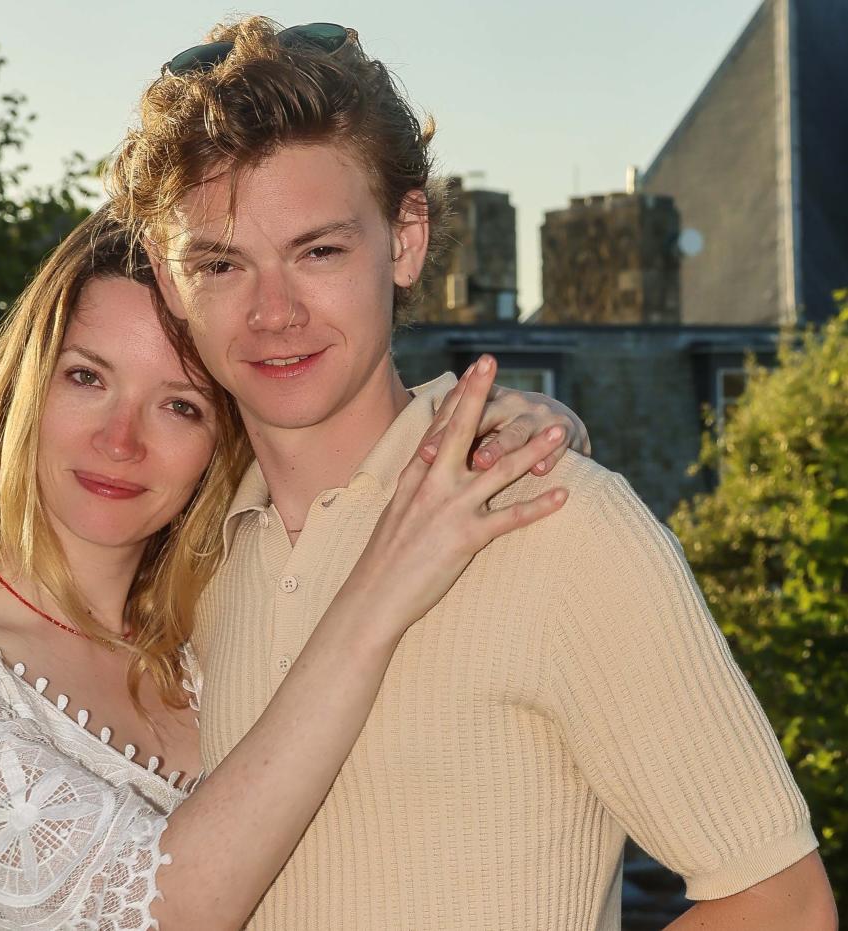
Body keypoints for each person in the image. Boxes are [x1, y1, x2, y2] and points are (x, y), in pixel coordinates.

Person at [106, 17, 837, 930]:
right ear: (171, 284)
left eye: (318, 251)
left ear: (405, 240)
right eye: (220, 264)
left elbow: (782, 903)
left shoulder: (559, 519)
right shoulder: (192, 562)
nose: (273, 313)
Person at [0, 209, 586, 929]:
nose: (119, 440)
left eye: (181, 406)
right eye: (87, 377)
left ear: (220, 441)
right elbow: (163, 913)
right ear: (24, 383)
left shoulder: (223, 622)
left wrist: (502, 428)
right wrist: (378, 596)